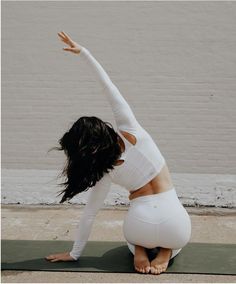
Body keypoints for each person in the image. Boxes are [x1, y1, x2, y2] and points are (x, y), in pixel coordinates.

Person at [45, 31, 191, 275]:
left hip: (139, 224)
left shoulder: (104, 171)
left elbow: (89, 215)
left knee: (132, 241)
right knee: (178, 238)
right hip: (173, 221)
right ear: (103, 129)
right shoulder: (130, 130)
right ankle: (167, 251)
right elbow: (108, 86)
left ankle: (140, 249)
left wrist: (75, 253)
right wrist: (84, 53)